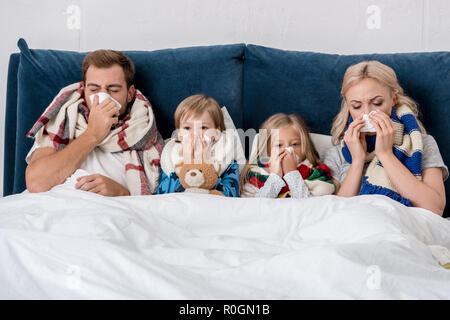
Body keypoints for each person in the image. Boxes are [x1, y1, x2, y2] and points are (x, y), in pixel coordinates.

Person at [25, 49, 163, 196]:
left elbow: (156, 201)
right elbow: (36, 183)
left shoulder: (144, 132)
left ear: (129, 94)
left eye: (114, 90)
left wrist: (121, 193)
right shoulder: (60, 123)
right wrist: (93, 133)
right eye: (94, 89)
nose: (103, 97)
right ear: (84, 91)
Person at [324, 60, 448, 215]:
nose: (367, 113)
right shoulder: (338, 153)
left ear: (393, 99)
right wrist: (357, 161)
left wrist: (386, 154)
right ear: (348, 107)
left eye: (377, 103)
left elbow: (434, 208)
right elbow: (334, 215)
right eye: (356, 106)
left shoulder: (422, 143)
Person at [156, 94, 239, 197]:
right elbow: (163, 195)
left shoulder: (226, 157)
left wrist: (204, 164)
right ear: (180, 135)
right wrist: (187, 163)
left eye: (203, 127)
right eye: (187, 128)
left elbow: (231, 196)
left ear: (216, 134)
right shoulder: (171, 158)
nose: (195, 134)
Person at [241, 113, 336, 198]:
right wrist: (275, 176)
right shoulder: (256, 173)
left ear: (305, 147)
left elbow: (308, 207)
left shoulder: (316, 173)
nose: (288, 150)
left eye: (294, 144)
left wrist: (292, 173)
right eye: (279, 145)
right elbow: (257, 207)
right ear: (267, 150)